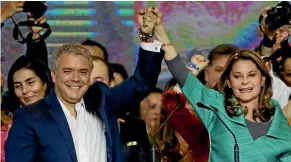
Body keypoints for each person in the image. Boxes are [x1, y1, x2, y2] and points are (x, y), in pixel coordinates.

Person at [141, 6, 291, 161]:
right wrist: (160, 32)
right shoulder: (216, 107)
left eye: (252, 75)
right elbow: (181, 75)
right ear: (228, 82)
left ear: (263, 79)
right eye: (237, 76)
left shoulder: (275, 111)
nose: (245, 81)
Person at [5, 42, 164, 162]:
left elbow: (142, 82)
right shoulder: (29, 117)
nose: (75, 78)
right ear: (53, 75)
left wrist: (148, 38)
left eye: (82, 72)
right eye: (67, 71)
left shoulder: (103, 101)